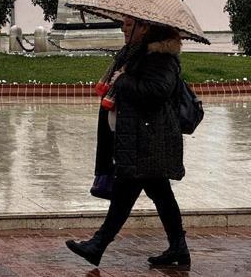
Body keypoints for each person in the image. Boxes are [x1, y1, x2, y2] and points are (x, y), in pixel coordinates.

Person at [66, 16, 189, 268]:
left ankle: (97, 245)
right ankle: (178, 247)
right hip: (138, 137)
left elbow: (158, 91)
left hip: (148, 139)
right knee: (159, 193)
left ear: (145, 28)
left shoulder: (161, 57)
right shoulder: (135, 53)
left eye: (129, 24)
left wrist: (123, 80)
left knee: (126, 192)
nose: (123, 28)